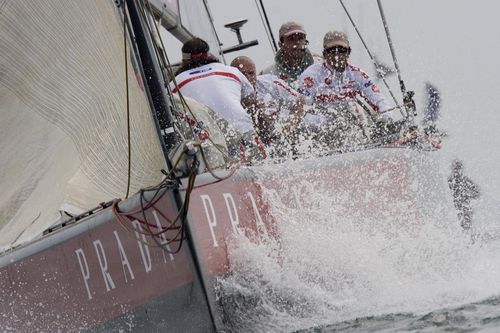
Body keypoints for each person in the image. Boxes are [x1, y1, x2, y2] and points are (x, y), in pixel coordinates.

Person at [297, 31, 404, 147]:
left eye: (342, 50)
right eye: (332, 50)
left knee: (358, 114)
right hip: (320, 132)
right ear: (325, 54)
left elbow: (379, 100)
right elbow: (301, 112)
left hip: (350, 128)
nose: (337, 55)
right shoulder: (312, 75)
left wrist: (386, 118)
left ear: (348, 52)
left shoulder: (356, 74)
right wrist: (327, 123)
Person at [170, 38, 265, 162]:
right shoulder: (231, 71)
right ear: (208, 54)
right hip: (243, 129)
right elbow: (251, 101)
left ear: (184, 60)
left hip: (212, 140)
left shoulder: (174, 84)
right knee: (263, 170)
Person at [230, 56, 305, 157]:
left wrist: (291, 123)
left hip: (277, 133)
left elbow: (300, 100)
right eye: (243, 74)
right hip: (249, 138)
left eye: (251, 73)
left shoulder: (270, 82)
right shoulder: (229, 94)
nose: (247, 78)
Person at [261, 21, 320, 86]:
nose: (297, 42)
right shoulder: (268, 74)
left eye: (300, 38)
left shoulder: (320, 66)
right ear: (281, 44)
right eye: (291, 39)